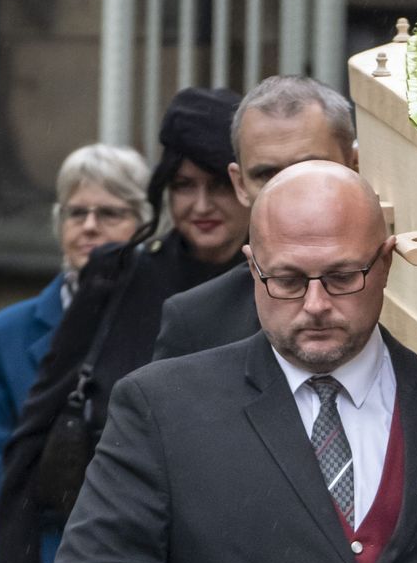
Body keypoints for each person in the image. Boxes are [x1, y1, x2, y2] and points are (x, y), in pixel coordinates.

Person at [44, 160, 417, 563]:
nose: (316, 303)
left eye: (343, 276)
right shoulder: (163, 406)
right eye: (287, 280)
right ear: (251, 268)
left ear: (386, 263)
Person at [0, 87, 251, 563]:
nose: (201, 205)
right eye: (184, 186)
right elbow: (34, 423)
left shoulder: (283, 284)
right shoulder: (118, 274)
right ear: (162, 191)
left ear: (246, 185)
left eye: (218, 185)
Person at [0, 143, 150, 563]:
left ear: (142, 224)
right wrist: (56, 478)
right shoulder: (5, 333)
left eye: (110, 212)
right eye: (76, 212)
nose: (89, 225)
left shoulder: (170, 318)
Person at [152, 75, 358, 362]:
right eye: (267, 175)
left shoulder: (407, 295)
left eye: (309, 168)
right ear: (239, 184)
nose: (289, 192)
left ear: (354, 166)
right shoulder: (195, 322)